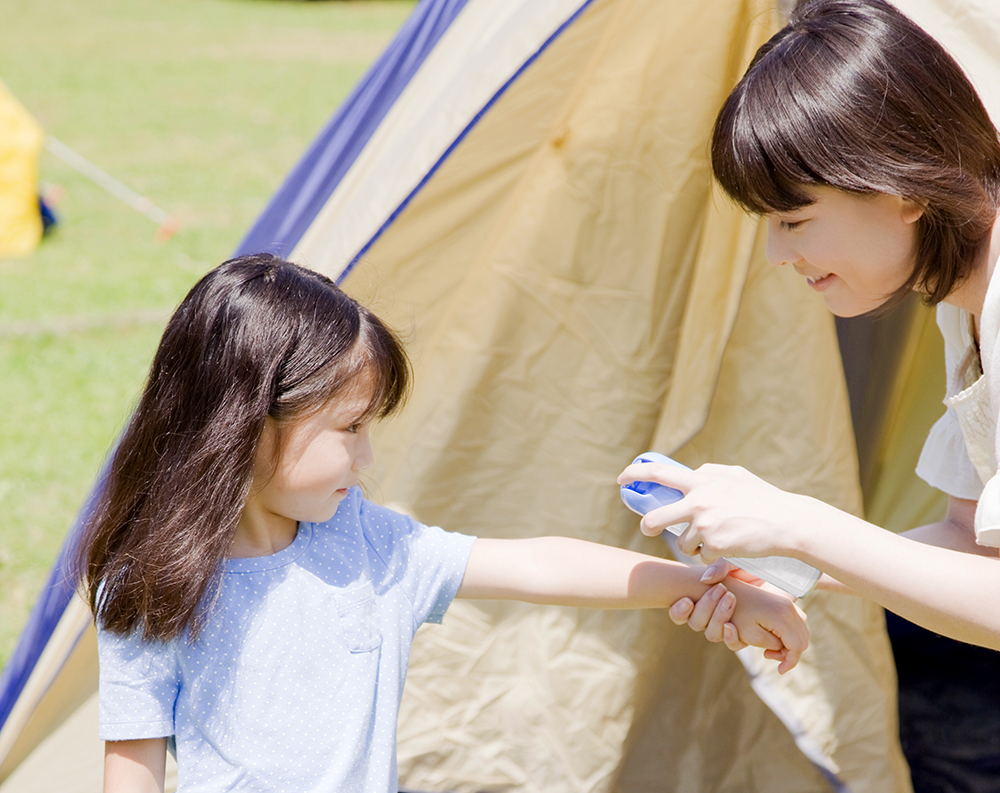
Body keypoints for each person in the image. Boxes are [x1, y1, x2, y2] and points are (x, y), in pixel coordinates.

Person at [74, 253, 806, 793]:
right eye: (349, 428)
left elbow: (537, 566)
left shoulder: (369, 549)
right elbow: (130, 773)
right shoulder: (152, 584)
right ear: (249, 420)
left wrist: (718, 584)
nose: (364, 457)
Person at [618, 0, 1000, 654]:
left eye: (793, 221)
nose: (776, 255)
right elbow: (972, 547)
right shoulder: (960, 302)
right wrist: (773, 559)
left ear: (904, 188)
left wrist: (797, 523)